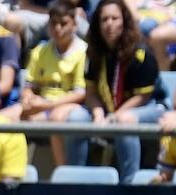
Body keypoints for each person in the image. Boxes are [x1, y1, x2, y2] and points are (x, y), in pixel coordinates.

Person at [65, 0, 162, 183]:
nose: (109, 24)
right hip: (108, 110)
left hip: (150, 108)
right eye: (104, 19)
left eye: (114, 18)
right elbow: (91, 92)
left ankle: (129, 184)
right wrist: (98, 114)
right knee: (76, 117)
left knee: (123, 121)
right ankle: (75, 181)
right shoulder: (93, 52)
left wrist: (114, 116)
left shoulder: (141, 53)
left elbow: (143, 97)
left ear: (124, 21)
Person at [18, 0, 86, 166]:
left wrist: (47, 105)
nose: (57, 28)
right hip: (42, 105)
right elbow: (29, 86)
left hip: (70, 106)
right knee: (4, 118)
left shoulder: (83, 51)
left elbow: (80, 93)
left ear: (74, 25)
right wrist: (27, 99)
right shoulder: (40, 51)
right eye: (53, 23)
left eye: (63, 23)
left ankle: (62, 173)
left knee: (56, 120)